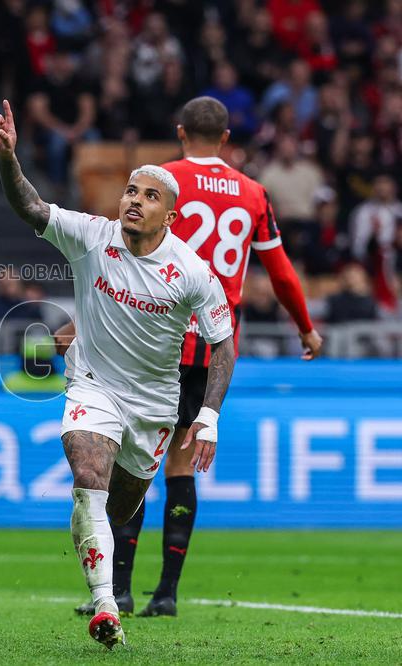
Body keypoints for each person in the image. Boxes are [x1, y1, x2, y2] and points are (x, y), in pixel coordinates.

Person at [0, 100, 236, 649]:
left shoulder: (191, 271)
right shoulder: (92, 236)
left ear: (170, 215)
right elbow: (29, 206)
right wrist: (9, 158)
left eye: (150, 196)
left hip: (154, 406)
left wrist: (210, 417)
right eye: (131, 191)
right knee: (87, 477)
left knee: (122, 504)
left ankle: (107, 556)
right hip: (92, 386)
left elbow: (222, 342)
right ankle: (105, 606)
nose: (135, 201)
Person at [72, 96, 322, 619]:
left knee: (128, 466)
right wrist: (305, 327)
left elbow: (127, 256)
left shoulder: (163, 181)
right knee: (179, 470)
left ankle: (118, 589)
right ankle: (167, 592)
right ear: (227, 138)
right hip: (211, 347)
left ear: (181, 132)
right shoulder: (254, 193)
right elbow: (279, 271)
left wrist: (80, 321)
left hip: (151, 339)